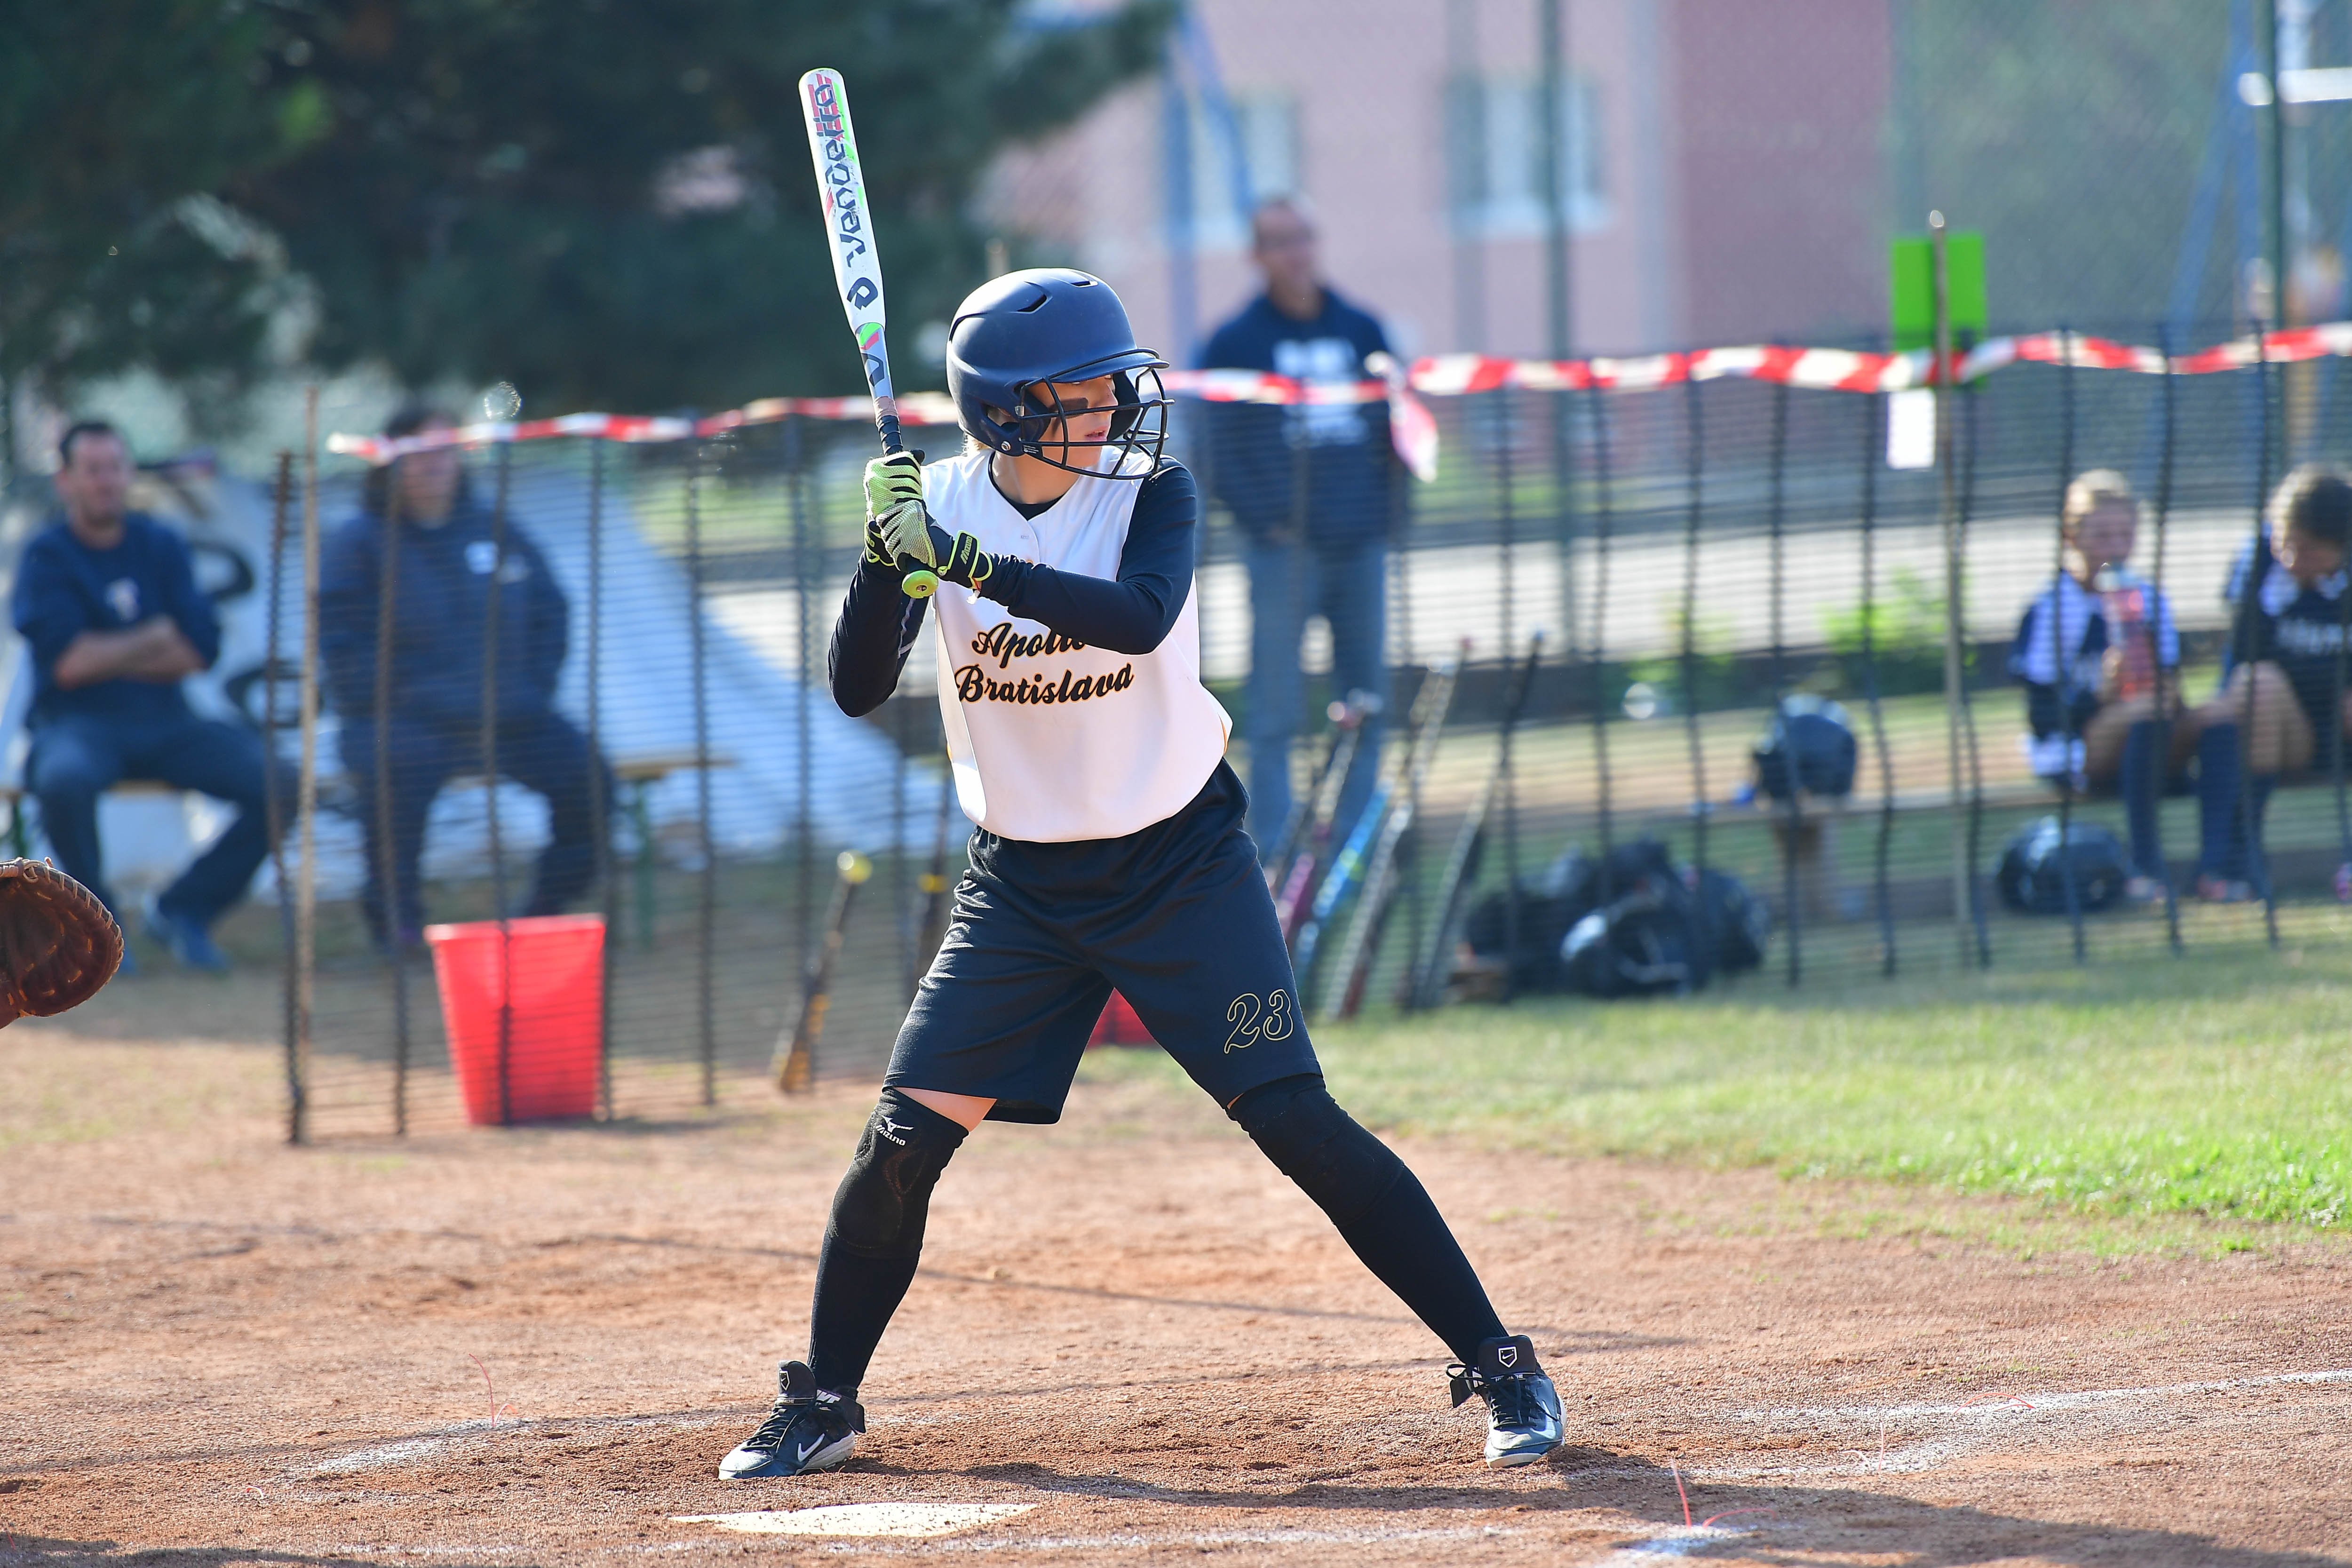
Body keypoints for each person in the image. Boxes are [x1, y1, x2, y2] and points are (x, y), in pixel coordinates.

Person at [716, 268, 1561, 1480]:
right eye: (1084, 390)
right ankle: (827, 1400)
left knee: (1295, 1120)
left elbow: (1138, 616)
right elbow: (856, 688)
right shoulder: (938, 503)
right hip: (1023, 884)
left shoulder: (1152, 492)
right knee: (900, 1143)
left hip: (1178, 863)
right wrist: (882, 560)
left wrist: (961, 560)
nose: (1116, 405)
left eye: (1116, 383)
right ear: (1006, 411)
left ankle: (1500, 1362)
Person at [318, 406, 610, 950]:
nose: (434, 466)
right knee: (394, 777)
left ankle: (544, 909)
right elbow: (340, 641)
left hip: (511, 717)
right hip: (407, 723)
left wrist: (531, 689)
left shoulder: (496, 529)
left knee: (590, 778)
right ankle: (398, 925)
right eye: (419, 455)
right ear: (388, 463)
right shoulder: (359, 543)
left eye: (444, 452)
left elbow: (551, 611)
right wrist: (396, 700)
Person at [10, 420, 289, 971]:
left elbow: (200, 649)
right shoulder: (47, 555)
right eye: (92, 470)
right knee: (62, 779)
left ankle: (184, 909)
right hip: (77, 722)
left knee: (282, 783)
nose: (106, 481)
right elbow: (68, 666)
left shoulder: (160, 543)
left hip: (167, 719)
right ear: (66, 481)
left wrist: (107, 652)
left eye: (115, 468)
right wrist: (154, 637)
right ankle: (98, 929)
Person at [1200, 197, 1398, 853]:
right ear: (1257, 256)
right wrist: (1267, 523)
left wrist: (1385, 515)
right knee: (1276, 708)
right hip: (1283, 554)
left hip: (1360, 544)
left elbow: (1397, 428)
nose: (1296, 252)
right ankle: (1276, 851)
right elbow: (1218, 450)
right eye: (1280, 241)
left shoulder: (1362, 329)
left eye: (1303, 237)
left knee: (1367, 701)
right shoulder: (1235, 343)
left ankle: (1353, 849)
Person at [2007, 470, 2186, 900]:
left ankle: (2223, 866)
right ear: (2072, 536)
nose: (2116, 547)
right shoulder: (2053, 607)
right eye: (2102, 535)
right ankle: (2146, 867)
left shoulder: (2148, 599)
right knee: (2143, 715)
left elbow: (2174, 696)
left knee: (2216, 722)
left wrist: (2161, 687)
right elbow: (2042, 717)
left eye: (2125, 534)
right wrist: (2100, 697)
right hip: (2071, 750)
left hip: (2147, 737)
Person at [2191, 464, 2352, 902]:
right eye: (2287, 543)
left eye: (2311, 550)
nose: (2294, 558)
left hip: (2341, 729)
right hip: (2287, 732)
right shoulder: (2259, 565)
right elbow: (2243, 663)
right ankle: (2241, 859)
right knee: (2258, 683)